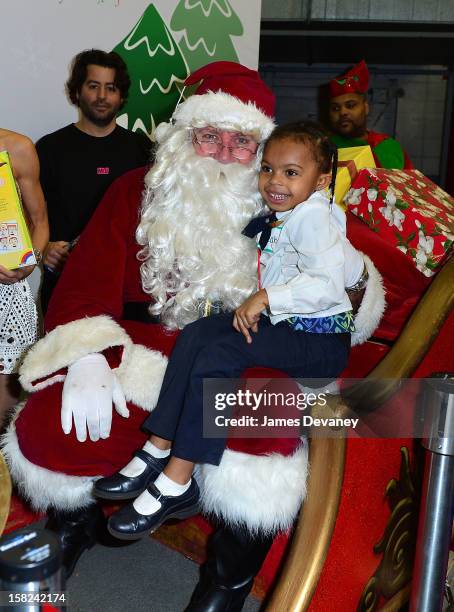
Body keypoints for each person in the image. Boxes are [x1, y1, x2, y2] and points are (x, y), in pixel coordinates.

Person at [2, 62, 384, 611]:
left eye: (241, 141)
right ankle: (76, 524)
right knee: (51, 420)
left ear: (262, 146)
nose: (224, 152)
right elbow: (85, 284)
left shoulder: (286, 198)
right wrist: (87, 355)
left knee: (266, 430)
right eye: (208, 137)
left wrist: (353, 291)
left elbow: (345, 274)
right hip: (139, 345)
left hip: (252, 350)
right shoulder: (136, 190)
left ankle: (226, 582)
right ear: (183, 137)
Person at [97, 120, 364, 541]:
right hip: (293, 328)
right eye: (269, 169)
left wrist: (265, 299)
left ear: (322, 179)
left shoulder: (311, 219)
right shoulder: (291, 211)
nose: (275, 181)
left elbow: (329, 285)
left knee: (221, 352)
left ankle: (178, 479)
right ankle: (158, 444)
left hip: (318, 342)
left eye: (291, 173)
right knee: (200, 332)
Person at [36, 49, 151, 312]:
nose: (102, 96)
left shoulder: (142, 149)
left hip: (127, 287)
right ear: (76, 92)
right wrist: (45, 248)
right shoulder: (50, 148)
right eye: (93, 86)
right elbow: (29, 215)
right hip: (66, 282)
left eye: (110, 88)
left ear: (121, 95)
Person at [0, 128, 48, 425]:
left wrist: (29, 263)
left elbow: (40, 223)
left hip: (5, 300)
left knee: (2, 425)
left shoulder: (17, 148)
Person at [328, 59, 413, 169]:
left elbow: (410, 183)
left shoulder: (388, 146)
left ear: (366, 107)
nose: (343, 112)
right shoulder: (324, 150)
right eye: (335, 108)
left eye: (350, 105)